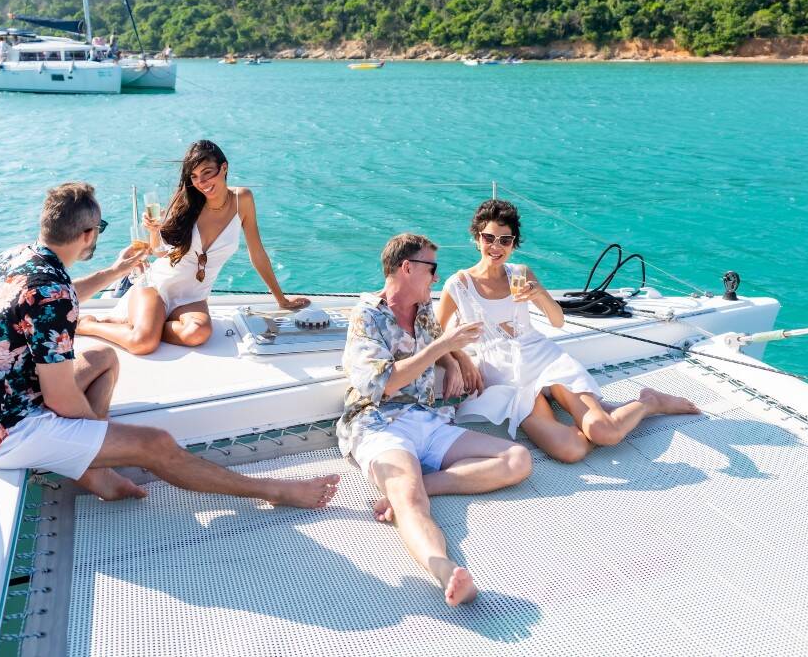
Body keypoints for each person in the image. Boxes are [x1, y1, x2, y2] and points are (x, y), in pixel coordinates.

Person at [0, 181, 339, 508]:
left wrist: (116, 271)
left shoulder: (14, 258)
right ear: (87, 235)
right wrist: (106, 442)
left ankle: (92, 468)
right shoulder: (53, 295)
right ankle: (275, 490)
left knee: (103, 357)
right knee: (156, 444)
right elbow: (60, 398)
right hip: (4, 433)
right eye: (99, 228)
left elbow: (61, 294)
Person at [337, 232, 532, 606]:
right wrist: (446, 347)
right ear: (407, 268)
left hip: (426, 417)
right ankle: (446, 571)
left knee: (517, 460)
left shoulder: (423, 308)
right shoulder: (366, 317)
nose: (437, 277)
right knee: (409, 499)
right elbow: (384, 382)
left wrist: (457, 360)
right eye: (432, 268)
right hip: (378, 422)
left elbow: (434, 341)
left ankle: (419, 486)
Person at [435, 199, 699, 463]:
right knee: (570, 451)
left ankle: (649, 402)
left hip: (544, 359)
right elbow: (433, 334)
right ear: (477, 238)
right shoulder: (458, 285)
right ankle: (597, 414)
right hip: (506, 377)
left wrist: (540, 294)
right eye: (489, 238)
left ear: (514, 244)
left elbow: (557, 321)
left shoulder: (521, 273)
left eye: (505, 240)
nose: (496, 246)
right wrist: (461, 358)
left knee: (604, 433)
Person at [79, 140, 310, 355]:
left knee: (198, 333)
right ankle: (88, 325)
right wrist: (153, 231)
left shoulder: (243, 200)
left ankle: (146, 324)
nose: (202, 183)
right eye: (195, 176)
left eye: (207, 172)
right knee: (143, 343)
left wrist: (281, 299)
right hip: (158, 287)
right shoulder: (186, 204)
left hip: (193, 297)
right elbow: (159, 252)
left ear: (224, 168)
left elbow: (257, 252)